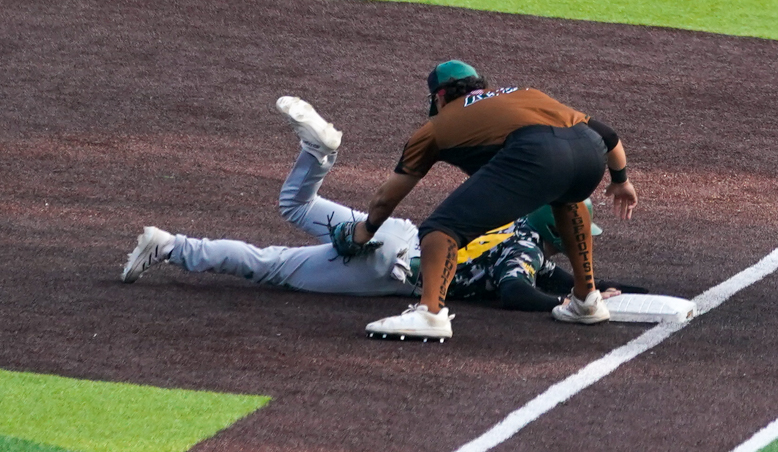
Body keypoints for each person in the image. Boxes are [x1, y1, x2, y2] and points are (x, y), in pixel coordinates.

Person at [120, 97, 644, 313]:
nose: (572, 245)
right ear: (551, 230)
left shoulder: (513, 230)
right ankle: (170, 246)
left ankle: (318, 155)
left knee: (296, 206)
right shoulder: (526, 252)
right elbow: (516, 288)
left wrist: (612, 290)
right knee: (270, 264)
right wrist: (565, 303)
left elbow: (559, 275)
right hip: (389, 269)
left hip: (394, 233)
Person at [353, 61, 639, 341]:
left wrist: (366, 230)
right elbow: (608, 135)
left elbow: (385, 198)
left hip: (537, 154)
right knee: (567, 198)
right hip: (591, 155)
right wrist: (621, 181)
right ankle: (587, 300)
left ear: (439, 97)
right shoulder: (525, 94)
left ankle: (430, 313)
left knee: (439, 229)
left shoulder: (436, 126)